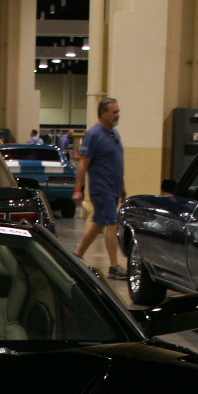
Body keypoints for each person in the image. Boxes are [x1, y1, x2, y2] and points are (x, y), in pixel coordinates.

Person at [74, 97, 125, 280]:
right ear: (103, 113)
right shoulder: (94, 135)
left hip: (114, 188)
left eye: (118, 111)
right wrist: (78, 189)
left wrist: (123, 188)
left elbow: (117, 164)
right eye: (114, 112)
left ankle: (77, 255)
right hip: (101, 188)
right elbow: (83, 163)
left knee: (98, 223)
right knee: (112, 223)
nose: (117, 115)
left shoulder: (114, 134)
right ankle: (114, 266)